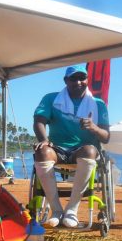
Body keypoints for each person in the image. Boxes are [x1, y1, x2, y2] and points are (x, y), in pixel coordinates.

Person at [33, 65, 110, 228]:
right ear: (66, 81)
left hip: (83, 150)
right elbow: (39, 121)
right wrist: (44, 139)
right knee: (41, 151)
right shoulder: (51, 98)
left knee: (89, 150)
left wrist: (94, 127)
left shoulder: (98, 104)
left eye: (82, 78)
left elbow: (106, 137)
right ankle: (57, 211)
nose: (78, 82)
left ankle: (71, 210)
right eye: (73, 78)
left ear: (87, 80)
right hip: (58, 149)